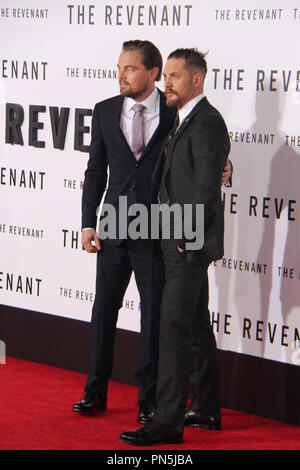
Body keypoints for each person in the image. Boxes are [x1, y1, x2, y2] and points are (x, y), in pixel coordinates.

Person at [73, 41, 232, 425]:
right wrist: (88, 221)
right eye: (119, 67)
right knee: (103, 310)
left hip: (159, 229)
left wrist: (226, 169)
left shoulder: (175, 109)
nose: (121, 74)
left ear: (153, 73)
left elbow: (202, 157)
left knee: (156, 318)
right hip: (113, 224)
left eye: (130, 68)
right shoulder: (105, 110)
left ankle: (149, 400)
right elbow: (96, 171)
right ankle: (95, 390)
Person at [119, 48, 231, 446]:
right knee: (196, 323)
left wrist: (185, 235)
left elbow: (204, 188)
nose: (166, 83)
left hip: (186, 241)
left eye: (174, 77)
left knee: (171, 325)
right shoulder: (186, 119)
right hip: (175, 237)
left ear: (196, 80)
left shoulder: (206, 123)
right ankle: (205, 406)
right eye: (165, 76)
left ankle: (167, 420)